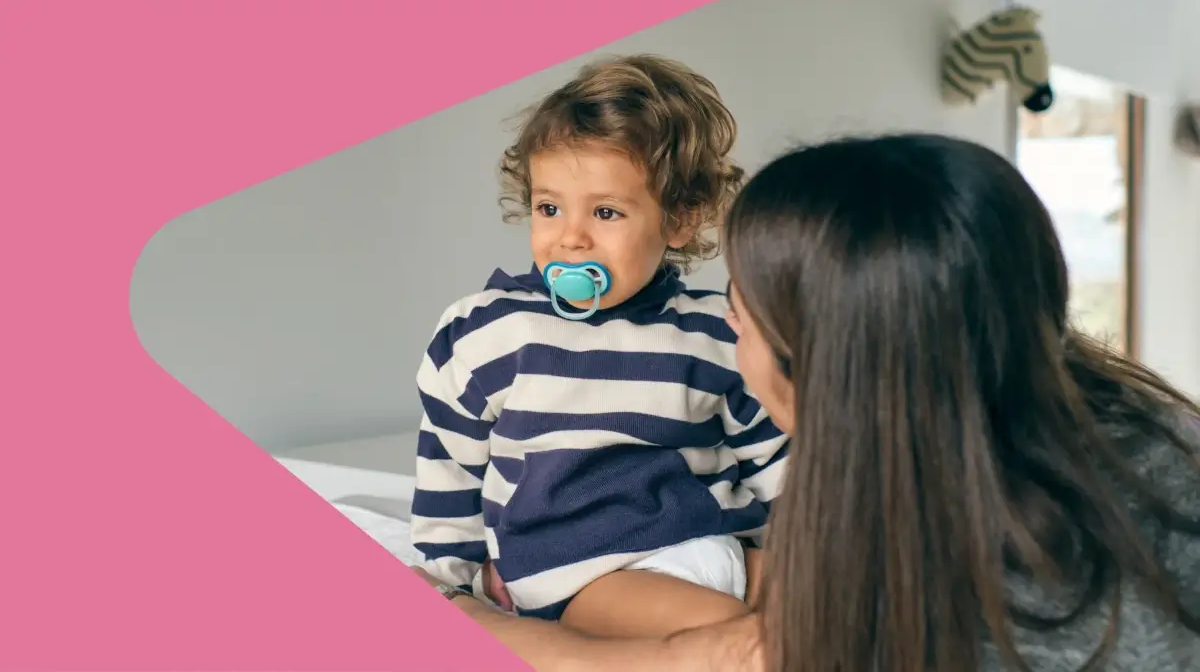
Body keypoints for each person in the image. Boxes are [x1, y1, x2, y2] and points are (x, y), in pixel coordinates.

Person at [413, 132, 1200, 672]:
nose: (725, 322)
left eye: (743, 314)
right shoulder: (1121, 428)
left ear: (832, 370)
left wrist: (479, 625)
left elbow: (745, 653)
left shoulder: (978, 575)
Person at [408, 53, 789, 638]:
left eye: (606, 211)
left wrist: (793, 553)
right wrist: (456, 582)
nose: (571, 236)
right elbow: (449, 465)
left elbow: (771, 459)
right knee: (729, 636)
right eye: (549, 207)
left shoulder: (716, 329)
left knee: (844, 609)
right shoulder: (489, 332)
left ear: (680, 220)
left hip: (716, 547)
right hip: (584, 571)